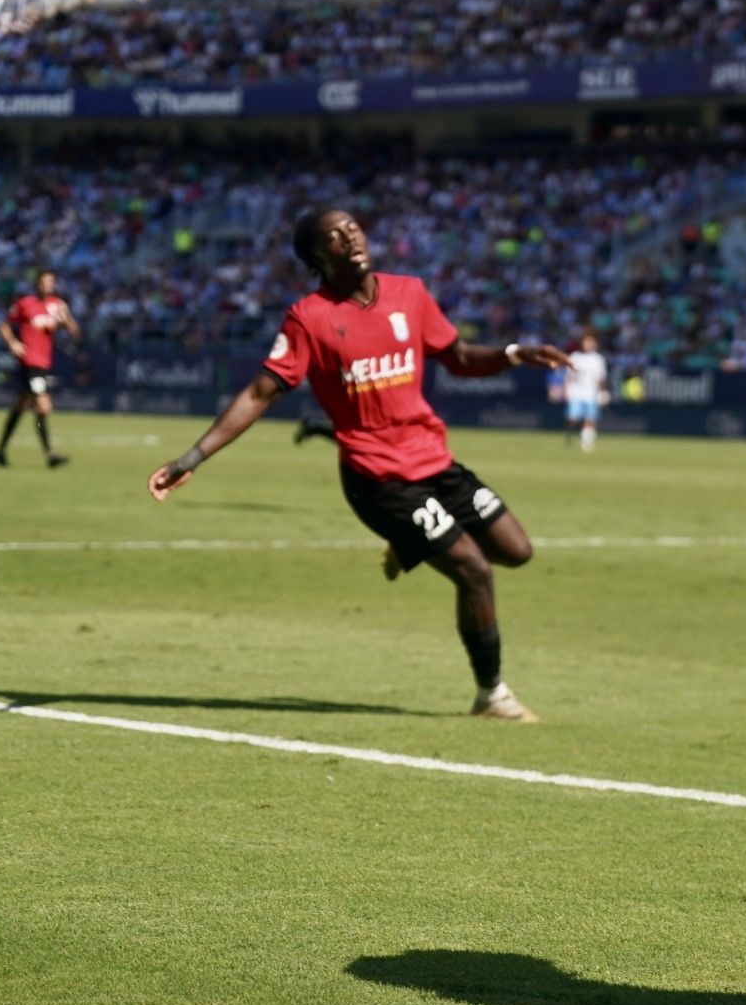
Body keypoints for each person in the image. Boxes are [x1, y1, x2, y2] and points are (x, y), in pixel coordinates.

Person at [147, 208, 571, 722]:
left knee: (516, 551)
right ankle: (492, 695)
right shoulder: (309, 317)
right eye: (333, 235)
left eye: (352, 226)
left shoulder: (409, 294)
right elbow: (261, 392)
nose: (348, 236)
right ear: (318, 258)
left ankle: (409, 541)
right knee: (474, 572)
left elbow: (456, 355)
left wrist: (513, 353)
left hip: (434, 461)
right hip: (379, 479)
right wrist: (193, 456)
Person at [0, 268, 78, 468]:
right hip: (29, 362)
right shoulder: (25, 304)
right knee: (43, 406)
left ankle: (0, 450)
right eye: (43, 282)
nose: (46, 285)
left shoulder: (57, 306)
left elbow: (76, 334)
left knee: (20, 406)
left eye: (50, 282)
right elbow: (4, 326)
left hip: (43, 363)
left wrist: (68, 319)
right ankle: (50, 454)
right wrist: (13, 343)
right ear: (37, 284)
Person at [563, 330, 609, 452]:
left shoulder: (598, 359)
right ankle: (570, 435)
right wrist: (567, 390)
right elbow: (569, 376)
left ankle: (586, 442)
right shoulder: (575, 357)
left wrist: (603, 392)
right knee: (573, 418)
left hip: (591, 393)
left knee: (590, 418)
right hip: (577, 391)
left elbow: (601, 378)